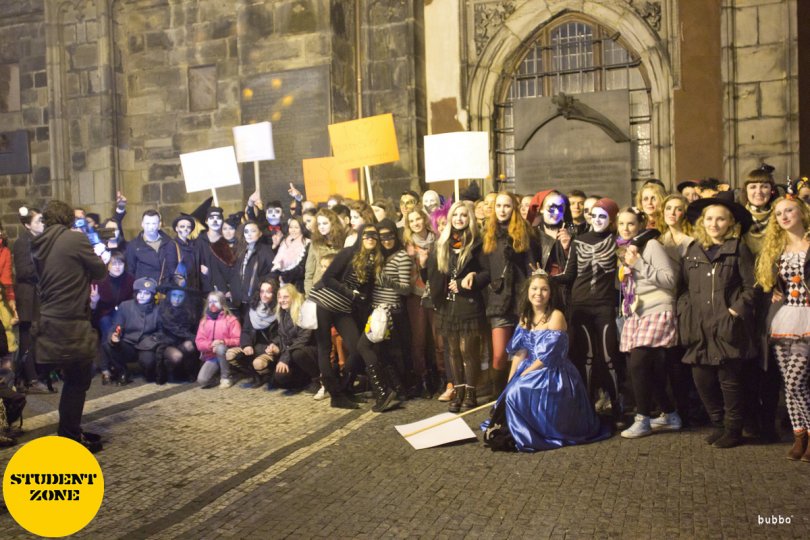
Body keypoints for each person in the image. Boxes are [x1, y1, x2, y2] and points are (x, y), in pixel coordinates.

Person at [481, 273, 610, 452]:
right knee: (511, 391)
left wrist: (525, 375)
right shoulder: (525, 317)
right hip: (530, 367)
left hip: (553, 371)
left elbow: (549, 356)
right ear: (528, 291)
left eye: (544, 289)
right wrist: (510, 380)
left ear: (550, 293)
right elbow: (520, 353)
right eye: (534, 289)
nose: (538, 293)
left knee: (519, 390)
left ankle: (533, 431)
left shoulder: (556, 316)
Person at [679, 194, 757, 449]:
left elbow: (752, 287)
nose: (714, 224)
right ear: (702, 221)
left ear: (730, 222)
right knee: (702, 380)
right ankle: (719, 424)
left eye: (720, 219)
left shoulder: (738, 248)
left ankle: (733, 429)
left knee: (729, 382)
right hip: (699, 326)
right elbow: (683, 288)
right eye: (710, 218)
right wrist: (685, 311)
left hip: (727, 326)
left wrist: (734, 312)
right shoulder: (693, 250)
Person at [31, 199, 108, 452]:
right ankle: (69, 436)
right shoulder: (74, 239)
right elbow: (100, 272)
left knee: (73, 378)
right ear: (68, 219)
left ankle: (70, 430)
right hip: (71, 321)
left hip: (49, 320)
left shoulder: (38, 243)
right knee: (78, 379)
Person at [554, 198, 624, 425]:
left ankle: (617, 406)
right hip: (581, 306)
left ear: (611, 219)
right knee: (586, 357)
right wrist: (547, 278)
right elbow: (569, 274)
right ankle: (587, 407)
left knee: (609, 355)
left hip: (604, 305)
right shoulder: (578, 241)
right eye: (594, 216)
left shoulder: (616, 242)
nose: (597, 220)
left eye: (603, 216)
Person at [614, 207, 681, 438]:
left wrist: (639, 263)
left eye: (631, 224)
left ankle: (642, 419)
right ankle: (670, 414)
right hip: (636, 312)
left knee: (639, 363)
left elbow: (669, 280)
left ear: (640, 225)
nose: (626, 228)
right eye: (621, 224)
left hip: (657, 309)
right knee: (646, 368)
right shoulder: (624, 249)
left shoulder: (651, 246)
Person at [754, 192, 810, 461]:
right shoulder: (776, 249)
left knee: (795, 381)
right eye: (778, 214)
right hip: (784, 317)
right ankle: (800, 436)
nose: (783, 217)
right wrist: (773, 292)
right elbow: (766, 285)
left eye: (789, 211)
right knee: (788, 384)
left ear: (802, 213)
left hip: (806, 317)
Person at [309, 225, 381, 409]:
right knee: (325, 348)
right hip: (324, 303)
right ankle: (336, 395)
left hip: (343, 308)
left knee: (356, 347)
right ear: (360, 236)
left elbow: (365, 292)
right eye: (366, 235)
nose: (370, 238)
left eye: (374, 235)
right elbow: (328, 278)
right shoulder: (348, 253)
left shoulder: (372, 260)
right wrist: (350, 293)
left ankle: (344, 388)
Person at [425, 201, 487, 412]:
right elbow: (433, 276)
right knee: (452, 351)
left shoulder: (477, 242)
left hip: (469, 303)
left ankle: (470, 392)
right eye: (456, 215)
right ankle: (458, 391)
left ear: (470, 219)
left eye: (464, 215)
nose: (459, 218)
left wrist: (471, 279)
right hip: (447, 305)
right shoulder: (441, 244)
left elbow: (487, 273)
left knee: (468, 350)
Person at [479, 192, 541, 397]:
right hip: (498, 301)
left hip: (522, 301)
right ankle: (499, 399)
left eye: (506, 206)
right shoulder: (488, 234)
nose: (502, 210)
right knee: (499, 356)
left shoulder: (525, 233)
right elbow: (486, 270)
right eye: (498, 206)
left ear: (513, 208)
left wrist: (533, 300)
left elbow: (532, 269)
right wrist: (470, 279)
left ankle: (519, 397)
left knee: (523, 354)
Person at [13, 206, 50, 393]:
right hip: (28, 296)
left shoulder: (41, 240)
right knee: (27, 337)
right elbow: (23, 271)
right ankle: (31, 379)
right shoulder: (22, 243)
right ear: (28, 225)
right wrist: (45, 268)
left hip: (39, 294)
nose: (42, 223)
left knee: (38, 337)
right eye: (38, 221)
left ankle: (36, 375)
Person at [103, 277, 163, 385]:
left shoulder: (158, 310)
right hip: (128, 343)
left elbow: (161, 332)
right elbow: (116, 326)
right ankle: (122, 372)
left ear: (152, 295)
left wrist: (151, 341)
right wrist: (114, 336)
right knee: (108, 345)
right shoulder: (125, 306)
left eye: (146, 293)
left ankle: (149, 371)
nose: (142, 296)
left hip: (147, 346)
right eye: (140, 292)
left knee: (148, 364)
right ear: (135, 293)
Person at [90, 250, 135, 384]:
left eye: (120, 263)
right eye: (113, 264)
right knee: (107, 327)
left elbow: (132, 302)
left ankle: (108, 369)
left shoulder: (130, 279)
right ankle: (110, 368)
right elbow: (92, 309)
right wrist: (94, 301)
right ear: (107, 266)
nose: (117, 267)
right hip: (103, 314)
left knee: (114, 328)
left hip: (124, 314)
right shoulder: (99, 280)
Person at [225, 278, 279, 388]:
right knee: (230, 354)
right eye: (262, 291)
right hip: (254, 345)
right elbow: (246, 330)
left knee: (259, 362)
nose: (264, 295)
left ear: (274, 294)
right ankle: (254, 374)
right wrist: (246, 344)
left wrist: (274, 345)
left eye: (268, 292)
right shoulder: (253, 309)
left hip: (271, 347)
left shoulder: (279, 310)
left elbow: (282, 334)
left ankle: (267, 375)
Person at [272, 284, 319, 391]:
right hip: (291, 351)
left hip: (309, 350)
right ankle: (304, 380)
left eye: (285, 297)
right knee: (279, 377)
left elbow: (303, 339)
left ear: (293, 297)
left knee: (297, 353)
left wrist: (285, 358)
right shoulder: (283, 313)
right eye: (279, 297)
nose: (282, 300)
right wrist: (275, 345)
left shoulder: (304, 311)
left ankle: (317, 379)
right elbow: (283, 336)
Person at [196, 291, 242, 388]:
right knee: (202, 380)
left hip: (227, 353)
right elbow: (199, 342)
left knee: (220, 348)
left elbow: (238, 340)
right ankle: (218, 376)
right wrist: (210, 345)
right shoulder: (204, 321)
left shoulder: (231, 320)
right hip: (212, 356)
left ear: (222, 303)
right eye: (210, 302)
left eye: (215, 301)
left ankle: (226, 377)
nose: (212, 304)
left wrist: (223, 342)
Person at [126, 210, 179, 285]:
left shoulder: (170, 243)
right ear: (142, 224)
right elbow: (130, 271)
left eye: (154, 223)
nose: (150, 227)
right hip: (144, 288)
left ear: (159, 225)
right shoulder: (133, 245)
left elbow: (174, 267)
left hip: (166, 287)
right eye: (147, 223)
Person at [271, 216, 310, 291]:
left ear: (302, 228)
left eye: (296, 227)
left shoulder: (307, 243)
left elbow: (302, 267)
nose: (293, 230)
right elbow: (278, 260)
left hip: (297, 283)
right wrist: (275, 246)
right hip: (281, 281)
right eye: (291, 227)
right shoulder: (285, 241)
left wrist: (284, 276)